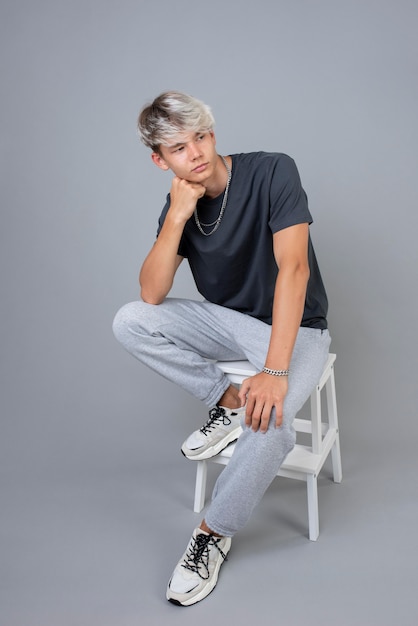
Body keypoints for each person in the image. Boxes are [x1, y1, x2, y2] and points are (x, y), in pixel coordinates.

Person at [112, 90, 331, 606]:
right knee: (130, 320)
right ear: (159, 160)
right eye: (179, 148)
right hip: (228, 323)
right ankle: (226, 398)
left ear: (212, 132)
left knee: (272, 423)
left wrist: (275, 371)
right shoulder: (179, 205)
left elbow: (294, 270)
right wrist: (175, 219)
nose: (197, 153)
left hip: (299, 330)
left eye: (202, 136)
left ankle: (212, 533)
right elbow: (151, 294)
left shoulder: (273, 171)